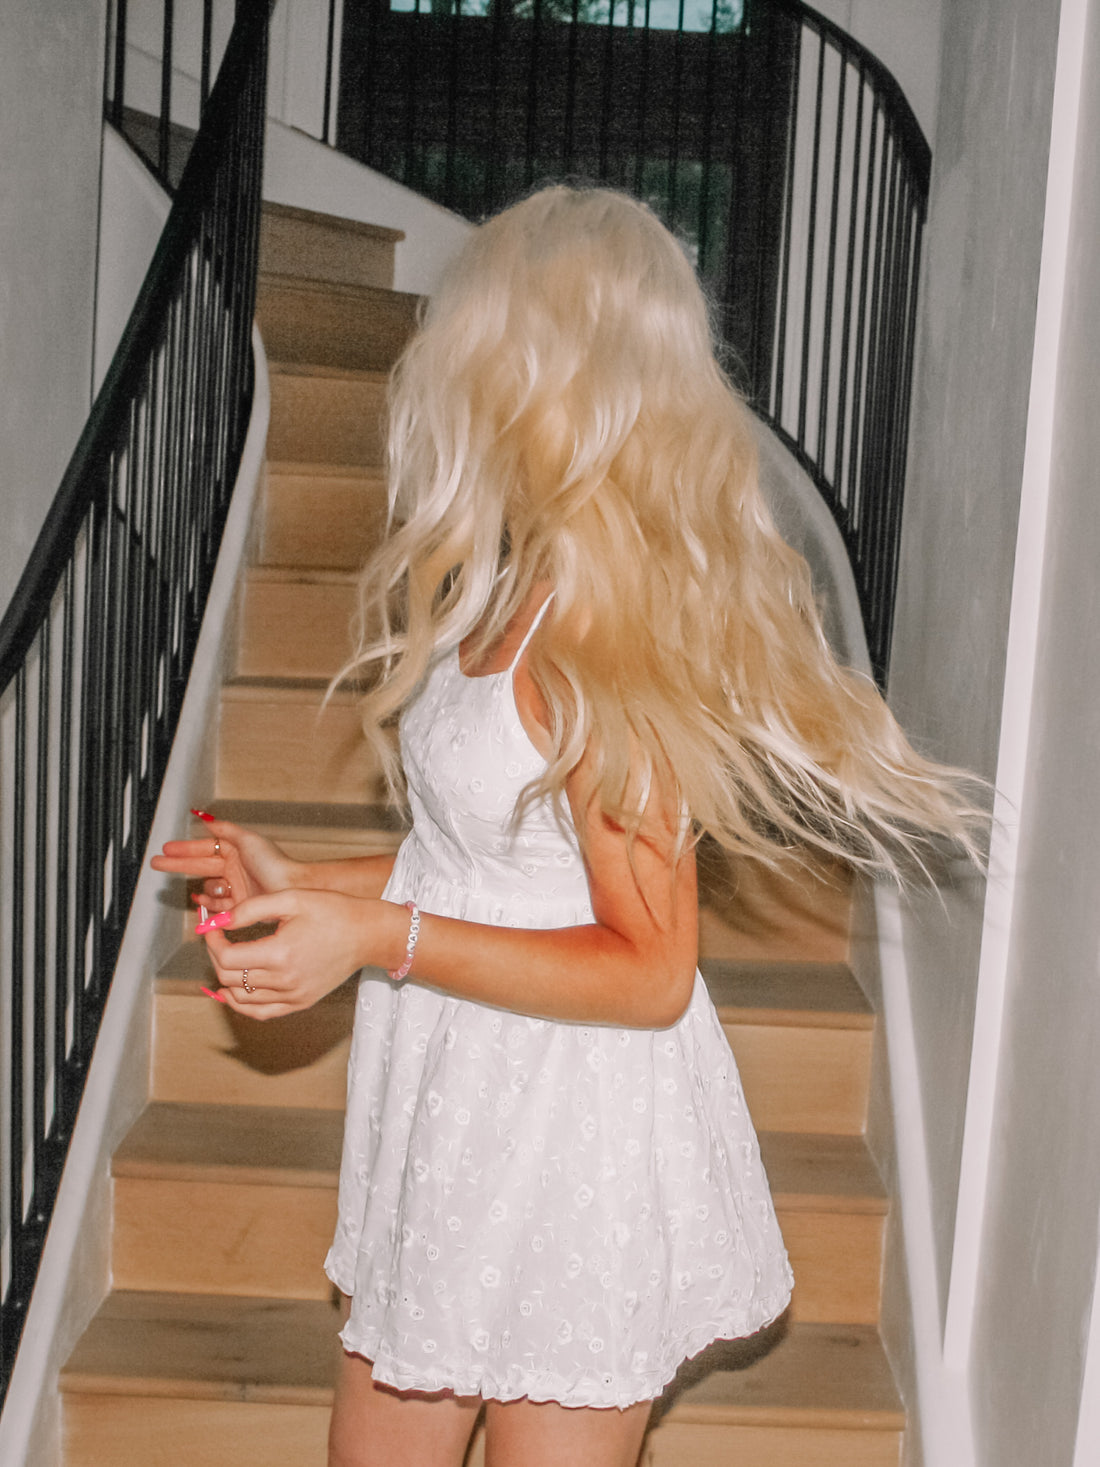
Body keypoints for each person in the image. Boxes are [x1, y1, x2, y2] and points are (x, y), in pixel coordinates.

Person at [151, 186, 981, 1467]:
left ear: (548, 372)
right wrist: (310, 884)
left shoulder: (603, 634)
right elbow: (487, 865)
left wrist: (373, 936)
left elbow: (650, 972)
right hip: (457, 1096)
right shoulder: (511, 584)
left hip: (569, 1123)